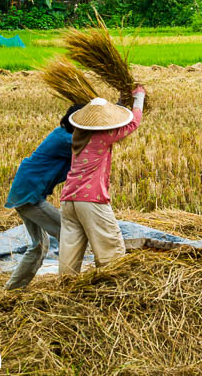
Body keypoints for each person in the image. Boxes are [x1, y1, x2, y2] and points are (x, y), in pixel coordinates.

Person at [58, 85, 146, 275]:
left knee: (69, 256)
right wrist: (139, 97)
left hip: (68, 201)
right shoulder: (102, 137)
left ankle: (65, 291)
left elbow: (109, 122)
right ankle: (111, 293)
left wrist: (121, 102)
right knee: (111, 252)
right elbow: (132, 124)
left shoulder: (78, 136)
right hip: (90, 201)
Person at [3, 104, 78, 290]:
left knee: (39, 246)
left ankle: (12, 290)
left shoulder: (62, 134)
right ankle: (70, 282)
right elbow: (92, 143)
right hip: (29, 193)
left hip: (24, 191)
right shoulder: (65, 139)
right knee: (67, 232)